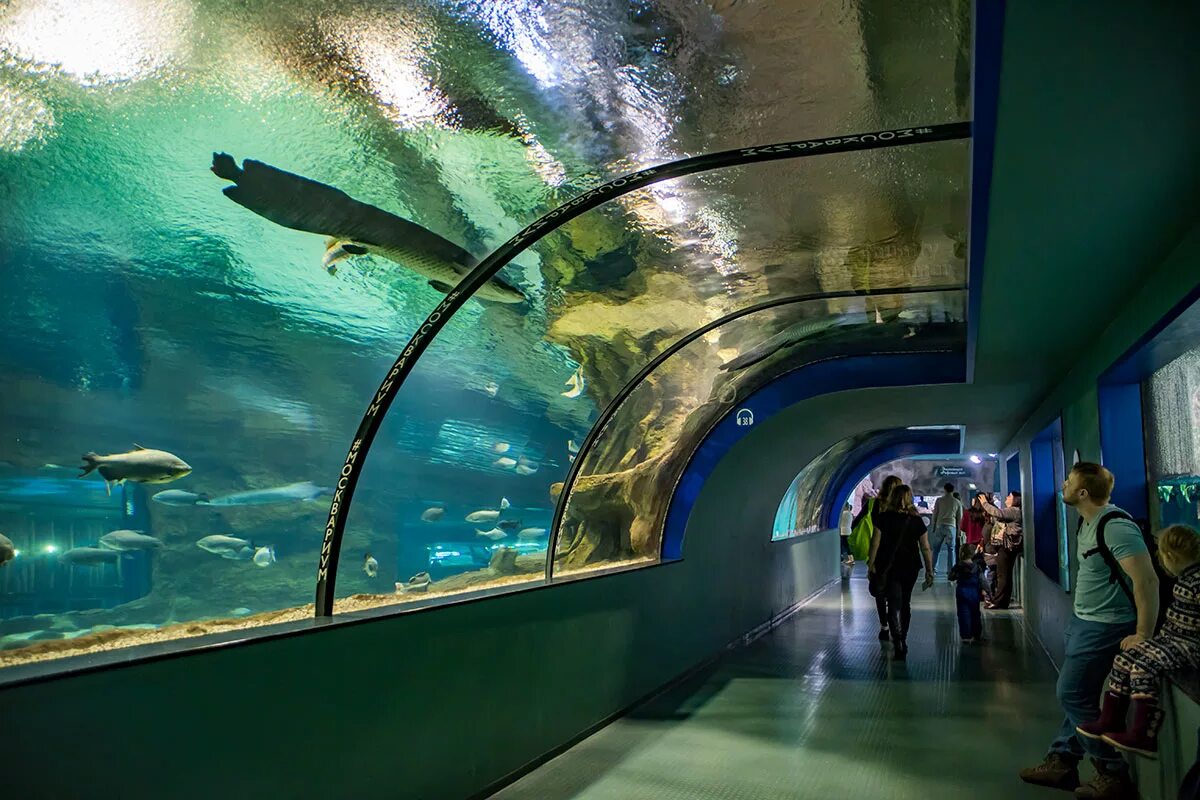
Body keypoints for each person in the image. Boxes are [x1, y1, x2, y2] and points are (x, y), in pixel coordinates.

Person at [1020, 463, 1158, 799]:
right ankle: (1063, 759)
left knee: (1070, 693)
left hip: (1107, 625)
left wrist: (1143, 632)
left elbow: (1146, 580)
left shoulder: (1115, 527)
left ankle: (1111, 771)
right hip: (1085, 621)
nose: (1063, 485)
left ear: (1083, 492)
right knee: (1080, 693)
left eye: (1069, 481)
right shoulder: (1087, 521)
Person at [1077, 524, 1200, 758]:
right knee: (1124, 658)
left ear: (1170, 556)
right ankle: (1111, 718)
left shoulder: (1196, 581)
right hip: (1173, 639)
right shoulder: (1186, 578)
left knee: (1143, 666)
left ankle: (1143, 731)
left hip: (1189, 645)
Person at [868, 484, 934, 660]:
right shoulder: (916, 520)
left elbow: (875, 542)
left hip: (888, 566)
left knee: (893, 603)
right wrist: (929, 570)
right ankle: (903, 638)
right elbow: (925, 548)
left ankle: (896, 639)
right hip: (910, 566)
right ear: (909, 498)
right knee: (905, 602)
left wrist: (871, 564)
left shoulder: (883, 518)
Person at [858, 475, 903, 641]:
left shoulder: (874, 504)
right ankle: (896, 626)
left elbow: (873, 535)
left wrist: (871, 562)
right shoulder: (903, 508)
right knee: (895, 591)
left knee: (880, 591)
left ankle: (884, 626)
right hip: (898, 555)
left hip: (880, 555)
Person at [979, 491, 1022, 610]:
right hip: (1009, 548)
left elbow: (997, 513)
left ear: (1015, 500)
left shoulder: (1014, 511)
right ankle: (1002, 601)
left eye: (1010, 496)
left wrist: (985, 504)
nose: (1007, 498)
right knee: (1004, 575)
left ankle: (998, 602)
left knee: (1002, 575)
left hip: (1007, 548)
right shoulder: (1015, 512)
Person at [949, 543, 984, 643]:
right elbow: (983, 580)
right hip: (974, 593)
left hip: (962, 592)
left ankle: (965, 635)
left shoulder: (958, 566)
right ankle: (976, 634)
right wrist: (988, 592)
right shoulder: (977, 567)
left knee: (963, 613)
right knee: (975, 613)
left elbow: (951, 577)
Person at [930, 482, 963, 576]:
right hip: (951, 527)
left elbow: (935, 514)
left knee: (936, 549)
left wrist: (933, 527)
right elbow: (959, 519)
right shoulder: (957, 502)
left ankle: (933, 569)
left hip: (940, 526)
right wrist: (959, 531)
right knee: (951, 549)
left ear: (944, 489)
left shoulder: (939, 500)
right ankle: (950, 571)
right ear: (953, 490)